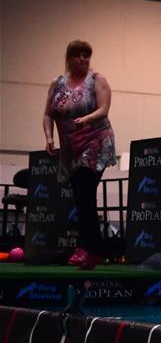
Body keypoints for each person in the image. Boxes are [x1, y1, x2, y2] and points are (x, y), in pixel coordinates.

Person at [43, 40, 117, 270]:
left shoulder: (97, 80)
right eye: (78, 55)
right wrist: (49, 137)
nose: (83, 59)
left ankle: (94, 250)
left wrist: (86, 119)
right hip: (70, 148)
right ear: (69, 58)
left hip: (95, 142)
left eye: (87, 55)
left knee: (85, 191)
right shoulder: (57, 83)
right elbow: (48, 114)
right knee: (81, 197)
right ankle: (88, 247)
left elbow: (104, 108)